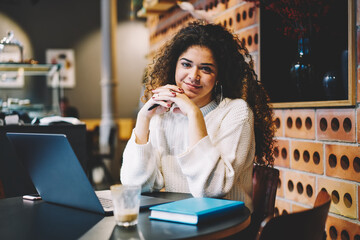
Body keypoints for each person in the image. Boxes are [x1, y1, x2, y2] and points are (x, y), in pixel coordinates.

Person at [120, 21, 275, 213]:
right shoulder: (163, 115)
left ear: (219, 76)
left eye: (206, 69)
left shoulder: (237, 112)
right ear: (174, 65)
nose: (193, 76)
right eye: (186, 64)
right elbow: (136, 186)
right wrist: (144, 119)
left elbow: (211, 190)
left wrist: (193, 114)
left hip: (227, 225)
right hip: (177, 220)